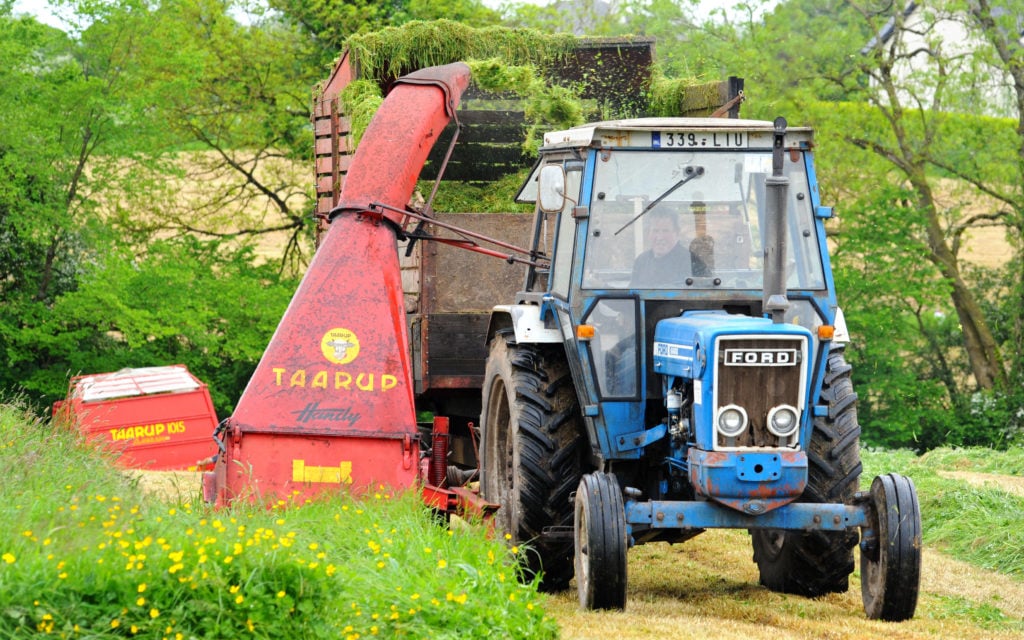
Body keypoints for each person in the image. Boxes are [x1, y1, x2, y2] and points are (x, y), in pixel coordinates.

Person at [630, 210, 689, 287]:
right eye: (655, 231)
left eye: (665, 231)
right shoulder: (641, 260)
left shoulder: (690, 261)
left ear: (677, 233)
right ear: (648, 233)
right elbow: (632, 292)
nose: (660, 237)